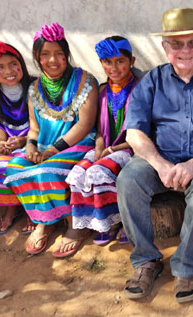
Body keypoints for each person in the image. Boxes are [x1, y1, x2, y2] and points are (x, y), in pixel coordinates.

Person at [117, 8, 193, 303]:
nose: (186, 50)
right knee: (127, 181)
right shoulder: (152, 80)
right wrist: (159, 164)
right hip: (160, 158)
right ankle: (146, 261)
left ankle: (185, 267)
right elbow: (133, 132)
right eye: (177, 44)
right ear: (165, 48)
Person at [4, 23, 98, 257]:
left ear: (66, 54)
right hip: (45, 145)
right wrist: (30, 146)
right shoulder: (34, 88)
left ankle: (73, 224)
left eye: (58, 53)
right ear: (37, 58)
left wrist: (52, 151)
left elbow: (84, 124)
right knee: (14, 168)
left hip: (76, 145)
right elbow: (34, 128)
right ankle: (44, 218)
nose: (52, 60)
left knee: (46, 171)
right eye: (45, 54)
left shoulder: (85, 81)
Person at [66, 36, 137, 245]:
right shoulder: (103, 91)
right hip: (105, 146)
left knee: (99, 171)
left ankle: (120, 221)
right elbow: (99, 129)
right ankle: (99, 221)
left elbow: (143, 132)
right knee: (77, 174)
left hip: (130, 148)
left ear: (131, 61)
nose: (113, 67)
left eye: (120, 61)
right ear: (101, 63)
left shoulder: (141, 89)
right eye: (107, 62)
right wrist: (99, 148)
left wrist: (113, 148)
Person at [0, 40, 35, 234]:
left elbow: (44, 125)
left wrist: (24, 140)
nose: (9, 70)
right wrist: (2, 143)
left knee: (22, 166)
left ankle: (31, 208)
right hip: (10, 144)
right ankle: (11, 206)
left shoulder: (35, 87)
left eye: (13, 64)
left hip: (34, 141)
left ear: (21, 64)